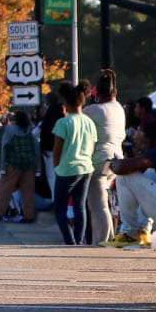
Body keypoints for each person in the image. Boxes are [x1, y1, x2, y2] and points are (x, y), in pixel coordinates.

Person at [49, 82, 98, 246]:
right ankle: (79, 240)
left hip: (67, 169)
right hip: (86, 168)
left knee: (60, 208)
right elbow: (93, 145)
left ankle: (70, 241)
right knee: (80, 206)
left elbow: (57, 149)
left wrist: (56, 167)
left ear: (66, 104)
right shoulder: (89, 122)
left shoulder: (63, 123)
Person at [83, 70, 127, 246]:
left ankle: (102, 241)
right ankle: (108, 238)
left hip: (98, 161)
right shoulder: (119, 109)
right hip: (116, 159)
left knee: (98, 205)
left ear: (97, 93)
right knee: (107, 204)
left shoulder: (93, 110)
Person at [0, 109, 39, 224]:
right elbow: (36, 148)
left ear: (15, 119)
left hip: (13, 164)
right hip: (29, 164)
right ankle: (29, 215)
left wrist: (1, 165)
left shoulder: (9, 129)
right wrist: (37, 167)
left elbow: (4, 147)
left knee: (4, 189)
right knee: (28, 191)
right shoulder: (30, 130)